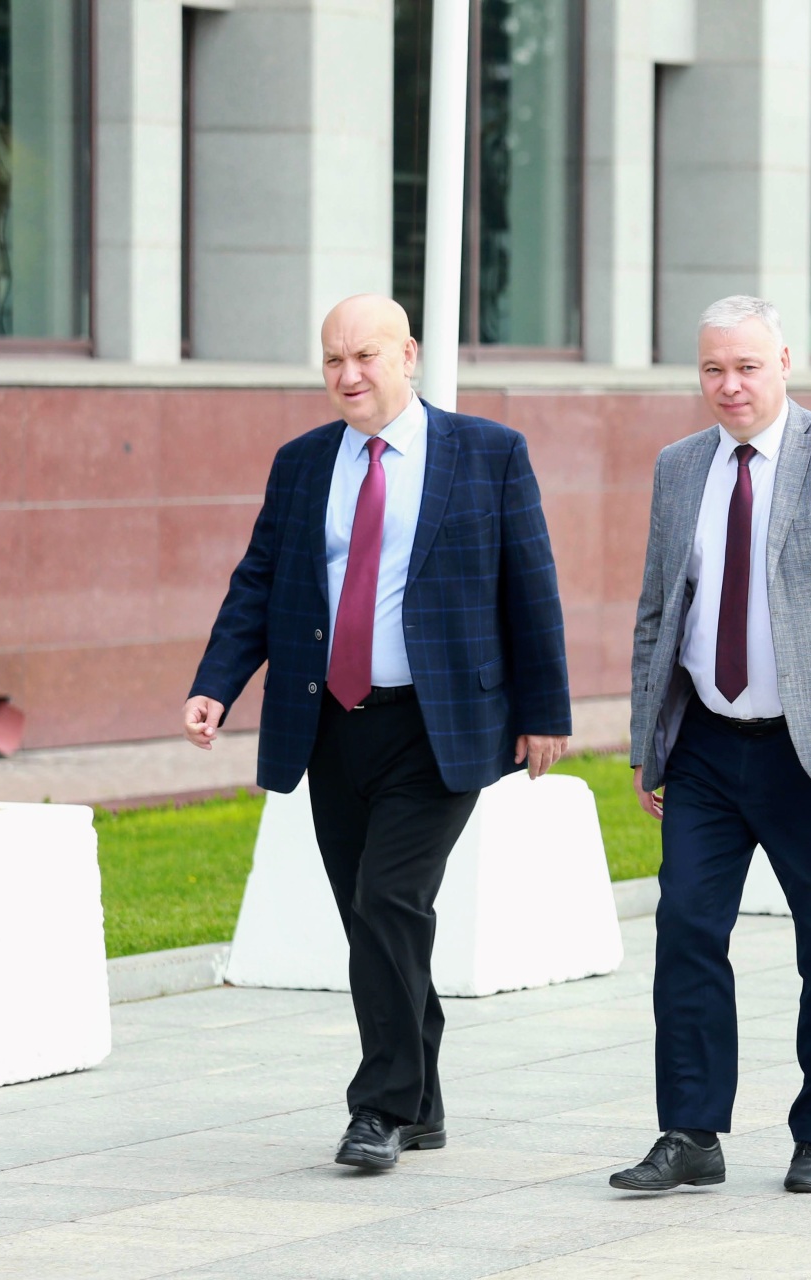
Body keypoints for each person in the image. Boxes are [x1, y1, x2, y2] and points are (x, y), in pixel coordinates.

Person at [183, 294, 571, 1171]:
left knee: (389, 899)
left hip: (439, 726)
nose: (348, 374)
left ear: (409, 354)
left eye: (365, 355)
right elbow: (260, 582)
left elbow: (531, 584)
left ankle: (381, 1109)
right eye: (333, 360)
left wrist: (546, 711)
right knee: (372, 920)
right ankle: (423, 1101)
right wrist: (216, 685)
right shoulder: (302, 463)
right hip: (330, 724)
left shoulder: (489, 452)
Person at [612, 295, 811, 1195]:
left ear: (785, 362)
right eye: (713, 369)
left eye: (747, 367)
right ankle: (691, 1132)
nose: (730, 386)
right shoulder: (680, 466)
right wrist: (646, 741)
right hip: (707, 745)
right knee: (686, 929)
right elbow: (657, 611)